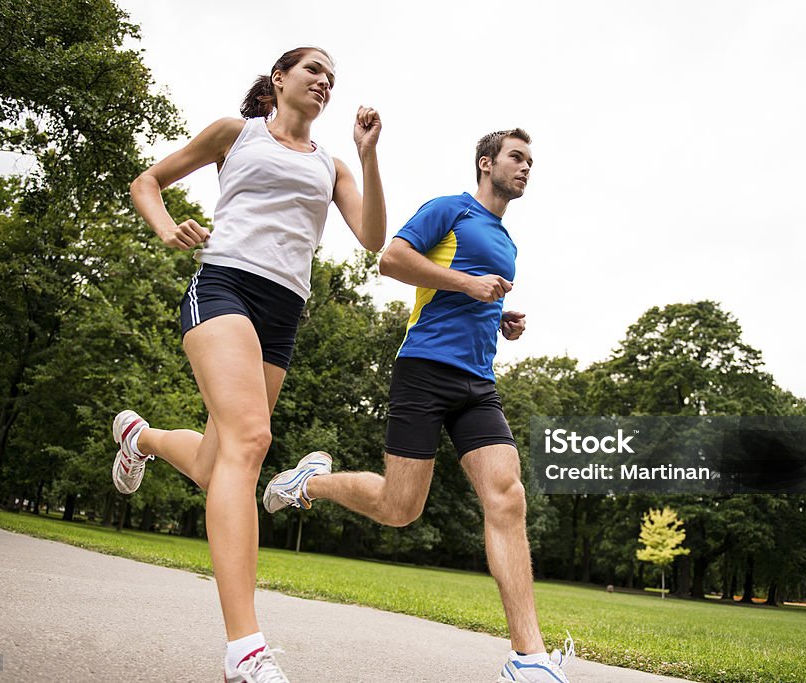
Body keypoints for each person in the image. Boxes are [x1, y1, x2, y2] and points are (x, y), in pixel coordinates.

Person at [110, 46, 385, 683]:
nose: (324, 80)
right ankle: (245, 650)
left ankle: (140, 437)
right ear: (280, 78)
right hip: (225, 285)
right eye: (312, 69)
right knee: (251, 441)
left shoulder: (332, 163)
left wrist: (368, 157)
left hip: (284, 312)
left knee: (217, 465)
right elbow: (146, 182)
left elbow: (372, 237)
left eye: (332, 77)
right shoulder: (237, 135)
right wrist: (164, 226)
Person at [264, 128, 576, 683]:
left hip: (478, 383)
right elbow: (391, 260)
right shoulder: (448, 209)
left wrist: (499, 318)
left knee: (507, 497)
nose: (527, 167)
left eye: (532, 161)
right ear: (486, 163)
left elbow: (472, 294)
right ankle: (309, 482)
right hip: (425, 371)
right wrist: (466, 285)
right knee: (399, 508)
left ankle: (527, 657)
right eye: (517, 157)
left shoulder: (507, 240)